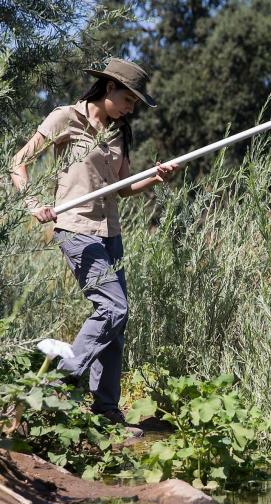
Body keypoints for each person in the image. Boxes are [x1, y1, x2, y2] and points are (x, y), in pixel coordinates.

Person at [10, 58, 177, 436]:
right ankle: (56, 386)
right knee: (113, 306)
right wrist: (33, 205)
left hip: (110, 232)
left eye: (135, 103)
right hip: (75, 229)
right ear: (108, 89)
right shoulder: (64, 118)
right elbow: (19, 163)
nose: (131, 108)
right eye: (129, 99)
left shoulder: (120, 132)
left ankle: (106, 412)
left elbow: (122, 187)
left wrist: (156, 177)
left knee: (117, 322)